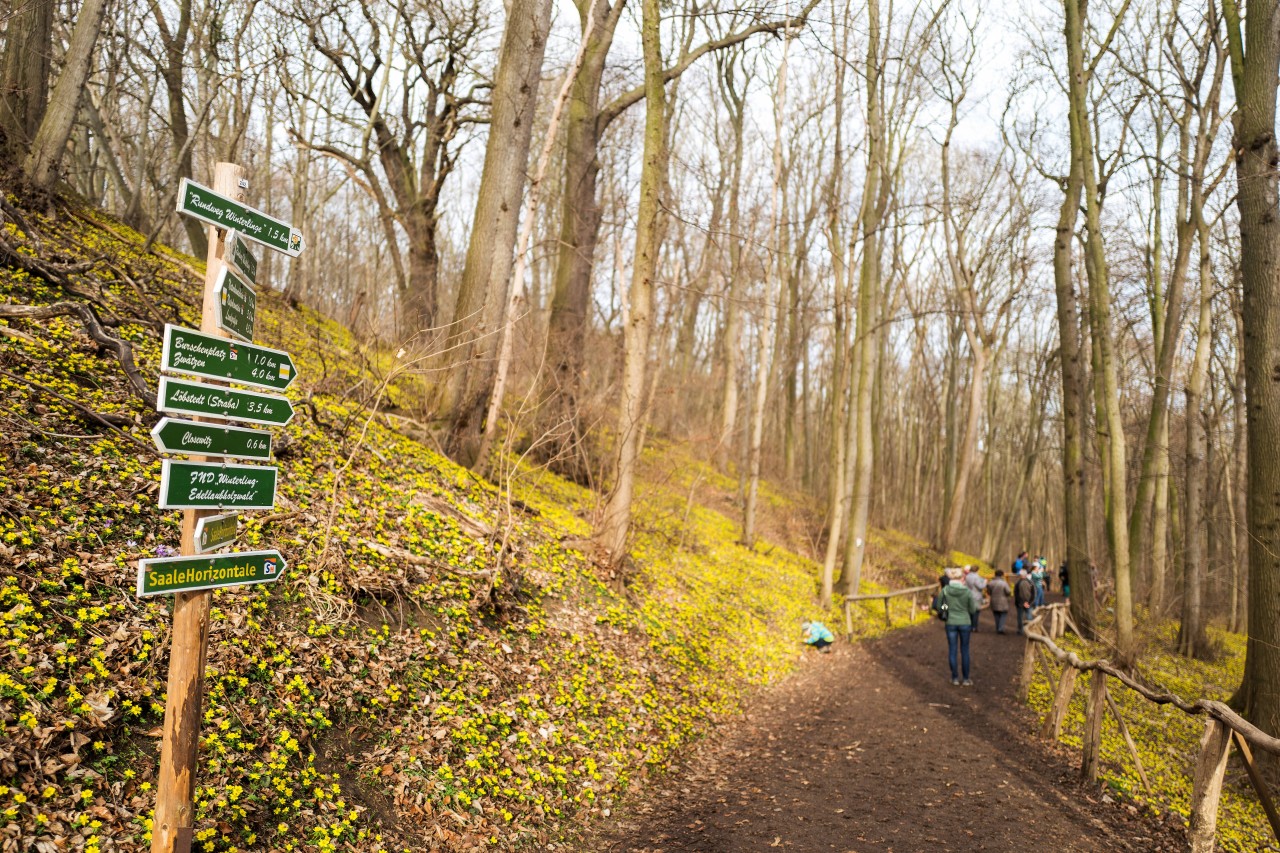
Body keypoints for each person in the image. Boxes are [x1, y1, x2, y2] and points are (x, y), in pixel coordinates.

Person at [933, 567, 978, 686]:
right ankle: (967, 679)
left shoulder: (946, 590)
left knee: (952, 650)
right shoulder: (967, 591)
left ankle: (955, 678)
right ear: (962, 578)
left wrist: (947, 609)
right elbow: (972, 609)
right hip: (965, 622)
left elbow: (939, 606)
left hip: (951, 622)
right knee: (965, 650)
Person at [963, 565, 987, 631]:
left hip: (968, 595)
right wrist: (985, 582)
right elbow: (980, 586)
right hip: (976, 596)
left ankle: (970, 626)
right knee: (976, 612)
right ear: (977, 570)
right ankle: (974, 627)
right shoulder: (976, 577)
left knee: (970, 611)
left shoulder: (967, 576)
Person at [987, 569, 1012, 634]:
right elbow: (1008, 591)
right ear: (1002, 575)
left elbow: (988, 592)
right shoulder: (1004, 583)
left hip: (994, 600)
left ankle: (998, 627)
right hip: (1003, 600)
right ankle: (1000, 628)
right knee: (1003, 614)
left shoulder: (991, 582)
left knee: (996, 614)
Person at [1014, 569, 1035, 634]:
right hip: (1029, 603)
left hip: (1020, 603)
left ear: (1020, 575)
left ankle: (1021, 630)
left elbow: (1016, 594)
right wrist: (1029, 602)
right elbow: (1033, 593)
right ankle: (1030, 630)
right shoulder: (1030, 582)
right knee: (1029, 617)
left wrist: (1023, 602)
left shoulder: (1018, 583)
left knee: (1020, 617)